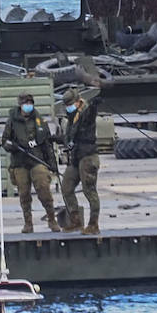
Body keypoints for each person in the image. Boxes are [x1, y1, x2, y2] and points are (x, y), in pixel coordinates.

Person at [1, 91, 59, 233]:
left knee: (44, 189)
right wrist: (12, 146)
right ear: (20, 105)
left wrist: (52, 163)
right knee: (24, 194)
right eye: (25, 103)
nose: (28, 106)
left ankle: (52, 219)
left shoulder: (39, 121)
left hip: (36, 159)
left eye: (30, 103)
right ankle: (28, 223)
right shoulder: (12, 121)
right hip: (19, 162)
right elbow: (4, 141)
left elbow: (47, 144)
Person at [57, 87, 101, 235]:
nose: (68, 107)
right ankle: (76, 221)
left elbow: (91, 114)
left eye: (70, 104)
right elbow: (69, 137)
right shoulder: (72, 117)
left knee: (90, 191)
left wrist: (95, 103)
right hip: (76, 157)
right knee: (66, 188)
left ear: (77, 102)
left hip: (88, 157)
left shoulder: (86, 112)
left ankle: (93, 224)